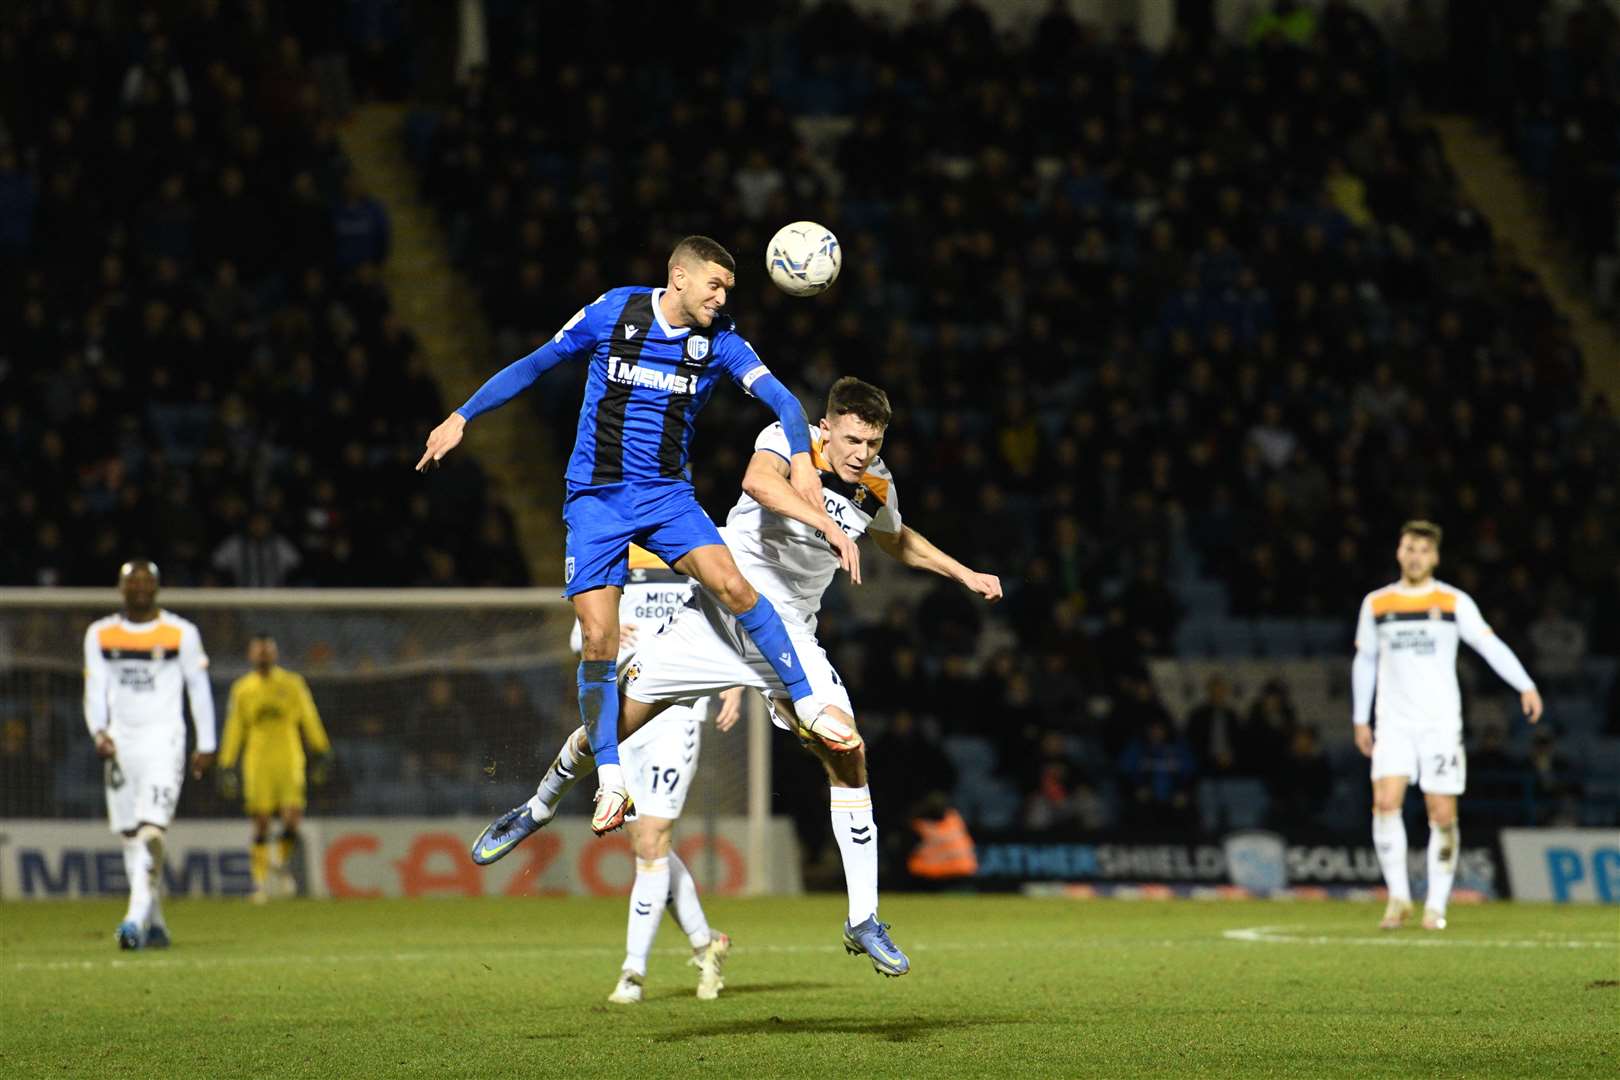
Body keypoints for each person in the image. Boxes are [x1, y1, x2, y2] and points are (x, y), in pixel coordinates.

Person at [474, 377, 1003, 978]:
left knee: (848, 749)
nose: (861, 453)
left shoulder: (877, 485)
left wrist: (964, 573)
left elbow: (897, 538)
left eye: (874, 443)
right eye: (852, 439)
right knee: (609, 729)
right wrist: (827, 525)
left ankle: (863, 918)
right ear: (826, 429)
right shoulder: (788, 438)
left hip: (790, 640)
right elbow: (758, 483)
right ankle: (538, 807)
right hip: (714, 620)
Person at [418, 236, 855, 834]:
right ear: (679, 277)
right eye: (715, 286)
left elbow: (781, 398)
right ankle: (611, 781)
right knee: (598, 639)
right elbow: (535, 363)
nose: (723, 297)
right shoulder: (613, 311)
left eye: (728, 289)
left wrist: (803, 458)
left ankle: (805, 701)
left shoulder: (720, 340)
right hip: (596, 501)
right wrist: (461, 415)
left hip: (667, 499)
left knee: (736, 586)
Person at [481, 543, 741, 1004]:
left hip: (675, 712)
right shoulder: (616, 547)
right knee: (649, 843)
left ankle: (632, 973)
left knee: (653, 838)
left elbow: (730, 609)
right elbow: (581, 636)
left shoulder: (692, 540)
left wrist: (737, 682)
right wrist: (600, 636)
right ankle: (706, 943)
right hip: (622, 716)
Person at [1352, 520, 1543, 931]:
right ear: (1399, 552)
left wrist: (1524, 684)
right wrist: (1359, 717)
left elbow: (1488, 644)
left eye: (1423, 549)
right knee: (1385, 802)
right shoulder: (1377, 604)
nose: (1415, 556)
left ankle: (1436, 906)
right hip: (1393, 722)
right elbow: (1365, 660)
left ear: (1435, 556)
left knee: (1441, 811)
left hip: (1439, 724)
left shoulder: (1453, 601)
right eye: (1409, 548)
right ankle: (1398, 898)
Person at [82, 561, 216, 949]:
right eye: (131, 582)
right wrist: (99, 732)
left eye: (146, 581)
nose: (139, 587)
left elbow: (199, 687)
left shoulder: (182, 632)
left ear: (157, 587)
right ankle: (155, 925)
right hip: (121, 743)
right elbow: (95, 688)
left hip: (164, 741)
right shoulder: (100, 634)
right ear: (120, 588)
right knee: (130, 835)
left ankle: (133, 921)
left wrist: (206, 743)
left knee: (151, 830)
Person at [218, 634, 332, 903]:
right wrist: (226, 763)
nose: (263, 656)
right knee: (261, 822)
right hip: (257, 760)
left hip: (289, 757)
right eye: (259, 651)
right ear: (250, 655)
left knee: (292, 817)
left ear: (275, 653)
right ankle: (259, 883)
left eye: (268, 651)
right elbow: (234, 728)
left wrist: (321, 749)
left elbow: (309, 716)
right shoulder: (242, 689)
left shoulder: (292, 684)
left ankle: (280, 868)